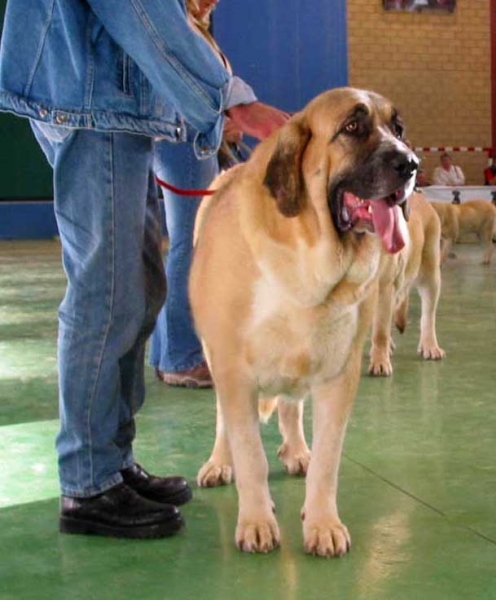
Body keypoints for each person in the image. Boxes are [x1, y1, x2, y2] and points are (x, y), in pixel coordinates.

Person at [0, 0, 285, 539]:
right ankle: (87, 483)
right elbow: (142, 10)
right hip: (91, 104)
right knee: (107, 295)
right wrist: (231, 101)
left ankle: (112, 460)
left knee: (141, 285)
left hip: (114, 105)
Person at [151, 0, 289, 389]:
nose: (212, 2)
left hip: (181, 143)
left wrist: (222, 121)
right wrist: (222, 120)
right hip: (185, 144)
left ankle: (167, 352)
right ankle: (184, 356)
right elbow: (183, 93)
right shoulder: (180, 30)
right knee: (192, 248)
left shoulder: (192, 32)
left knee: (179, 247)